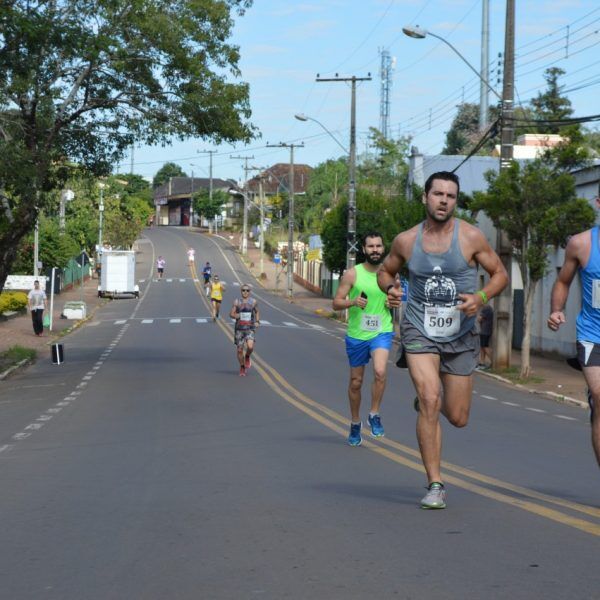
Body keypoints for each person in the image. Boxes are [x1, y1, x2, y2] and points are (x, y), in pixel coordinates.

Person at [377, 171, 508, 509]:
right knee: (431, 396)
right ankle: (435, 483)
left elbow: (500, 274)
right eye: (438, 194)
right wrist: (391, 289)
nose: (444, 201)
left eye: (450, 196)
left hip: (462, 334)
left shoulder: (471, 237)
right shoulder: (406, 241)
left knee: (459, 416)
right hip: (419, 330)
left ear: (455, 201)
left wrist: (480, 297)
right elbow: (385, 271)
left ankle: (427, 405)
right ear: (425, 197)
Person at [547, 197, 600, 468]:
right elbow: (563, 281)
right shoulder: (581, 244)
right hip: (593, 334)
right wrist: (556, 309)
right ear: (599, 203)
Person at [332, 232, 394, 447]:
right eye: (371, 246)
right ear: (364, 249)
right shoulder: (352, 274)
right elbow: (336, 303)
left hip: (382, 331)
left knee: (380, 371)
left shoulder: (391, 274)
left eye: (378, 246)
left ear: (383, 248)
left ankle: (374, 414)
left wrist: (392, 302)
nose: (375, 250)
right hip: (357, 334)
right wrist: (352, 302)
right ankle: (355, 422)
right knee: (356, 382)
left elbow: (397, 298)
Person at [230, 284, 260, 376]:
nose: (245, 292)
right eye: (243, 290)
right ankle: (242, 367)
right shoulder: (237, 301)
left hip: (250, 328)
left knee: (250, 346)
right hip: (239, 329)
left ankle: (247, 356)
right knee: (239, 350)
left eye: (247, 290)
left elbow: (257, 311)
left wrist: (257, 321)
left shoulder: (253, 302)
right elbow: (231, 314)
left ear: (250, 292)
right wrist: (236, 315)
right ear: (241, 291)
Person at [477, 303, 494, 369]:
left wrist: (479, 317)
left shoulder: (486, 309)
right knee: (482, 347)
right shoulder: (489, 308)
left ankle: (493, 360)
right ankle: (482, 362)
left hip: (485, 331)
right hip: (485, 330)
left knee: (485, 347)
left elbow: (479, 319)